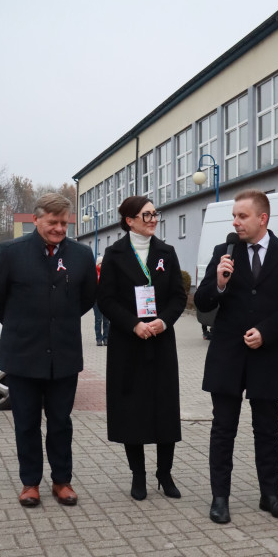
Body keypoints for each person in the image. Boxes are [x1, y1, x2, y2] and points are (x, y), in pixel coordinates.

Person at [194, 189, 278, 524]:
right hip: (227, 355)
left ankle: (270, 495)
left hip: (266, 355)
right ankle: (220, 498)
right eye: (234, 216)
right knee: (223, 428)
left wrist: (267, 331)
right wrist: (218, 282)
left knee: (267, 428)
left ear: (263, 218)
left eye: (242, 216)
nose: (235, 222)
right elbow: (202, 302)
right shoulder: (224, 252)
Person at [0, 193, 97, 508]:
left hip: (64, 355)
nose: (60, 228)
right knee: (27, 422)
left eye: (64, 222)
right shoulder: (10, 252)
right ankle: (30, 483)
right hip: (23, 354)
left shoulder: (81, 255)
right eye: (53, 222)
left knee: (61, 422)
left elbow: (86, 298)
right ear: (37, 220)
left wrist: (58, 322)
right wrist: (21, 324)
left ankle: (62, 481)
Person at [97, 195, 187, 501]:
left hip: (161, 341)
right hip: (128, 342)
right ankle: (139, 475)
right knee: (130, 408)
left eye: (154, 214)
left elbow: (177, 295)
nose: (152, 219)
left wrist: (164, 321)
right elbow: (106, 299)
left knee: (164, 407)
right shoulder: (114, 254)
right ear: (129, 220)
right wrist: (133, 324)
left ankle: (165, 473)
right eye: (146, 215)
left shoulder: (167, 252)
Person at [93, 256, 109, 345]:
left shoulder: (107, 273)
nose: (102, 265)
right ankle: (98, 339)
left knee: (106, 321)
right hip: (96, 301)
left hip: (106, 300)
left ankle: (106, 338)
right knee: (98, 320)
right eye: (100, 263)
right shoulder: (94, 273)